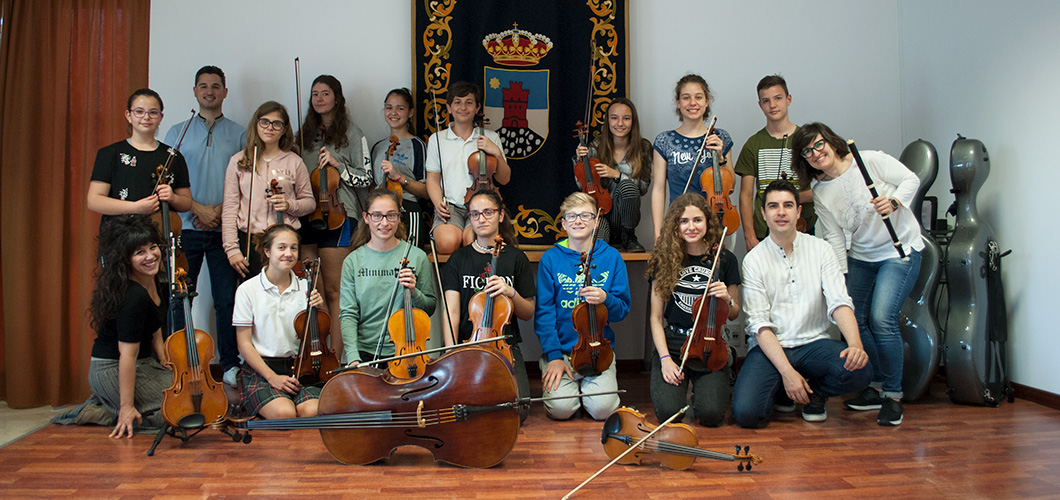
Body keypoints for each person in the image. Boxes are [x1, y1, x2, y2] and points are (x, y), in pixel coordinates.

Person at [791, 123, 924, 426]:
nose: (815, 153)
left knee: (881, 318)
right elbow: (836, 238)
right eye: (807, 151)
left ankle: (893, 394)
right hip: (862, 256)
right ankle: (874, 385)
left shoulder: (867, 160)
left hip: (898, 250)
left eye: (818, 144)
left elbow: (910, 179)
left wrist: (894, 202)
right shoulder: (821, 192)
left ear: (830, 141)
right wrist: (839, 276)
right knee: (852, 317)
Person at [731, 180, 872, 427]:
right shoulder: (753, 260)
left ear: (798, 211)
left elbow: (840, 302)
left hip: (814, 344)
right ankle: (786, 388)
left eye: (788, 205)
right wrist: (787, 373)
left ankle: (815, 392)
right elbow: (759, 325)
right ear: (763, 214)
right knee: (747, 414)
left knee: (860, 370)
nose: (781, 212)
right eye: (773, 206)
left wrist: (855, 344)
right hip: (772, 347)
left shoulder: (822, 249)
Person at [164, 65, 246, 387]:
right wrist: (197, 208)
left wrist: (218, 212)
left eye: (216, 86)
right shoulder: (176, 132)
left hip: (225, 231)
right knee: (178, 299)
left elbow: (245, 183)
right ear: (195, 91)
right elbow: (168, 182)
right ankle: (177, 364)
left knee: (227, 300)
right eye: (203, 86)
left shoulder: (240, 133)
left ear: (225, 92)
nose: (209, 91)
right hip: (186, 227)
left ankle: (229, 365)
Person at [645, 193, 740, 427]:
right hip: (674, 343)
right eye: (683, 221)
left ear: (708, 222)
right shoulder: (664, 259)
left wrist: (727, 298)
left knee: (711, 416)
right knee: (670, 414)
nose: (691, 227)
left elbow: (735, 313)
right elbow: (656, 318)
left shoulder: (725, 259)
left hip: (711, 344)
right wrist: (666, 359)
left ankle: (709, 384)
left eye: (697, 220)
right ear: (675, 225)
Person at [296, 75, 374, 360]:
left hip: (339, 216)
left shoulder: (353, 134)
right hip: (306, 214)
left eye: (325, 93)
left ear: (337, 98)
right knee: (312, 290)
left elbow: (367, 178)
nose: (319, 99)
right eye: (314, 94)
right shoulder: (303, 134)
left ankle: (336, 358)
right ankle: (318, 355)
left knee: (333, 290)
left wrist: (339, 165)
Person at [440, 189, 535, 420]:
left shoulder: (516, 259)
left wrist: (510, 292)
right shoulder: (458, 259)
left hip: (506, 347)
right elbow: (451, 311)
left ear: (500, 215)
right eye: (474, 214)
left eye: (487, 212)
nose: (481, 219)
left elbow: (528, 312)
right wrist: (451, 352)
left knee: (519, 411)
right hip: (467, 346)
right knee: (455, 406)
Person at [534, 192, 630, 420]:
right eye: (572, 216)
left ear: (596, 222)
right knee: (561, 410)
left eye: (585, 215)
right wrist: (555, 357)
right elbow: (544, 314)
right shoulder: (550, 259)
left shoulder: (612, 257)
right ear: (564, 223)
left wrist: (605, 298)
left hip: (599, 351)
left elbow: (622, 310)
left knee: (603, 411)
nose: (578, 221)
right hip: (564, 352)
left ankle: (590, 392)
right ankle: (570, 387)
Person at [86, 215, 172, 437]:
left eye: (152, 247)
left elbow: (155, 327)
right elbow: (127, 355)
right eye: (139, 252)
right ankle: (110, 411)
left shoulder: (155, 280)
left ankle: (110, 404)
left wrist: (163, 359)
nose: (150, 256)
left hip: (142, 364)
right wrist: (126, 406)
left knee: (192, 393)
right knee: (180, 410)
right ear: (125, 259)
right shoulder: (132, 296)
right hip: (112, 368)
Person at [233, 224, 323, 419]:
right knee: (285, 414)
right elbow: (244, 344)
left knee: (312, 412)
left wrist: (318, 310)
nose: (288, 254)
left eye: (293, 248)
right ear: (267, 251)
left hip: (300, 370)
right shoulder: (248, 290)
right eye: (281, 247)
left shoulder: (305, 286)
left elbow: (315, 335)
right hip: (262, 369)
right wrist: (272, 377)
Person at [339, 189, 437, 364]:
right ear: (366, 217)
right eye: (377, 215)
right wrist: (353, 357)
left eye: (391, 215)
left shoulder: (416, 256)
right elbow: (348, 313)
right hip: (365, 352)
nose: (384, 223)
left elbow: (429, 308)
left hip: (408, 349)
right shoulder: (352, 261)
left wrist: (414, 292)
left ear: (399, 217)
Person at [222, 101, 315, 281]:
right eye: (264, 121)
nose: (270, 127)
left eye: (276, 123)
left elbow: (309, 203)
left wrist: (289, 205)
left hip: (285, 241)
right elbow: (230, 208)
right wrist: (232, 249)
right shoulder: (238, 161)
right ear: (256, 124)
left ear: (284, 129)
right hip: (251, 240)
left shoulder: (294, 161)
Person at [425, 81, 511, 254]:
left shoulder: (491, 137)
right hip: (451, 206)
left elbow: (504, 178)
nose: (463, 107)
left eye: (469, 102)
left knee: (474, 240)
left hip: (481, 206)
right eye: (457, 102)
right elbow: (433, 178)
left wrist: (496, 153)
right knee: (447, 243)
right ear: (449, 108)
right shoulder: (437, 139)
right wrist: (437, 202)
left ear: (477, 108)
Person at [735, 74, 816, 251]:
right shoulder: (753, 144)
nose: (772, 105)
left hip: (803, 227)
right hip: (764, 230)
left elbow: (823, 185)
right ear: (760, 105)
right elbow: (746, 196)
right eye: (766, 101)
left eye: (778, 98)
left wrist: (788, 198)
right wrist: (749, 236)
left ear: (789, 99)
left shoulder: (806, 139)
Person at [87, 88, 192, 223]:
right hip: (119, 235)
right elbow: (94, 200)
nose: (146, 117)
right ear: (128, 115)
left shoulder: (173, 156)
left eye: (153, 112)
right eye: (139, 112)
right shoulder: (109, 153)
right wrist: (135, 207)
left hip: (158, 234)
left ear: (161, 117)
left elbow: (187, 202)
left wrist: (173, 197)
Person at [651, 74, 734, 241]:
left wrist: (720, 157)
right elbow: (659, 189)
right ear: (678, 103)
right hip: (679, 221)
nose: (692, 103)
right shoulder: (664, 140)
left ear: (707, 101)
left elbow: (730, 184)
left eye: (698, 97)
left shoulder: (720, 137)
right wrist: (658, 233)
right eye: (686, 98)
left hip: (714, 218)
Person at [573, 97, 652, 252]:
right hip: (601, 215)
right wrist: (579, 161)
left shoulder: (644, 147)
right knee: (599, 248)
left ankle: (628, 236)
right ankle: (602, 238)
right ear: (608, 121)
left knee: (628, 185)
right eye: (614, 118)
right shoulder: (595, 146)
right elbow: (582, 186)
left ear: (633, 121)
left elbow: (642, 188)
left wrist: (617, 175)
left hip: (626, 218)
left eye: (626, 118)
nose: (620, 123)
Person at [370, 88, 429, 247]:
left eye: (400, 108)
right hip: (379, 215)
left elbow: (426, 191)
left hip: (407, 210)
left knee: (409, 264)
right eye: (389, 107)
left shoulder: (417, 146)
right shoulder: (378, 147)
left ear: (410, 112)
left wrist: (398, 178)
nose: (393, 112)